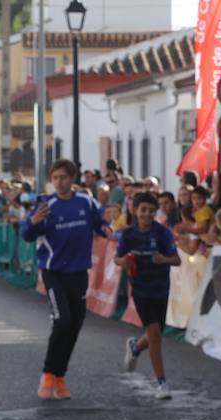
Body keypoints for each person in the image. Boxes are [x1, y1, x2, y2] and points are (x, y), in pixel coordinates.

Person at [19, 157, 112, 400]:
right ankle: (48, 374)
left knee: (75, 324)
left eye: (63, 178)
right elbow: (27, 234)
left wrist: (107, 231)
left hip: (78, 272)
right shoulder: (46, 205)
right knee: (62, 321)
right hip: (53, 271)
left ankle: (60, 376)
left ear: (72, 179)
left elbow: (99, 224)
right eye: (55, 178)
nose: (59, 182)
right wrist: (33, 222)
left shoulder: (85, 202)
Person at [117, 191, 180, 400]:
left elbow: (177, 260)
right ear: (135, 210)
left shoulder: (162, 233)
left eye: (151, 211)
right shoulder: (128, 234)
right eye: (143, 210)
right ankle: (162, 383)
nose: (147, 214)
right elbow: (117, 258)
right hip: (141, 289)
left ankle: (135, 347)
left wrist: (164, 259)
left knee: (156, 335)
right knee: (154, 334)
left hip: (160, 288)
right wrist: (124, 261)